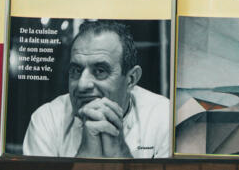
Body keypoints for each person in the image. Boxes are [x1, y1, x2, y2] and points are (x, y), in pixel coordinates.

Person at [22, 20, 171, 158]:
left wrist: (120, 152)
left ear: (131, 79)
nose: (82, 84)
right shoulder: (47, 119)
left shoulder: (164, 116)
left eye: (100, 71)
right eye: (76, 70)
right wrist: (86, 153)